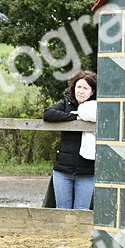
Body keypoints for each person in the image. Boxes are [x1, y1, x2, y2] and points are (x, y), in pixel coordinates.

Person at [42, 70, 97, 210]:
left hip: (87, 170)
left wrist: (82, 116)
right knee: (62, 210)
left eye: (85, 88)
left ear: (92, 92)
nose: (81, 91)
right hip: (63, 168)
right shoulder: (66, 104)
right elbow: (48, 114)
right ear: (73, 88)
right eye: (79, 87)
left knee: (81, 210)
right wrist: (74, 118)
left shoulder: (97, 108)